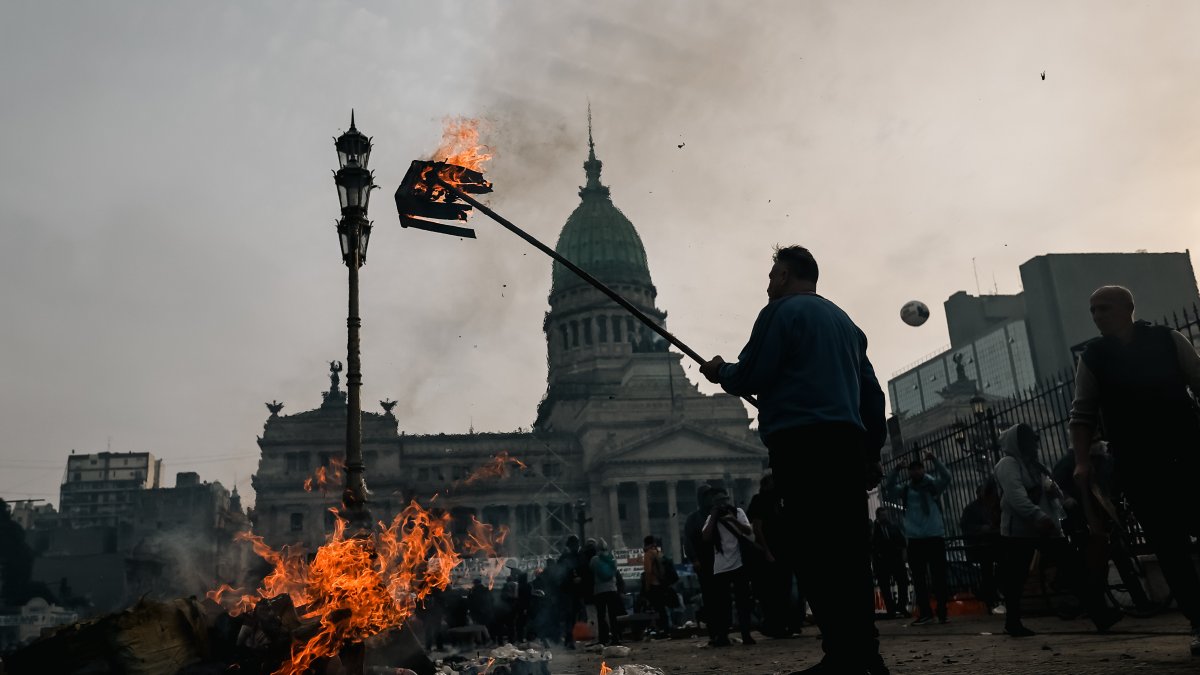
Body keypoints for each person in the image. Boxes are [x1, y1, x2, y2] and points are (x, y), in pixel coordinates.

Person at [701, 245, 888, 675]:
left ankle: (842, 656)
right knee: (850, 554)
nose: (768, 285)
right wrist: (871, 452)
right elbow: (872, 395)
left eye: (771, 276)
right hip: (845, 445)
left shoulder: (780, 314)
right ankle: (866, 656)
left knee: (813, 552)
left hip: (802, 448)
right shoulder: (846, 324)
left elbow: (751, 374)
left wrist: (720, 372)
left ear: (784, 275)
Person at [1070, 285, 1200, 656]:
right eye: (1092, 310)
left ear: (1128, 308)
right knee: (1168, 546)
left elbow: (1199, 380)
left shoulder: (1166, 338)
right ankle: (1198, 619)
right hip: (1137, 463)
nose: (1096, 315)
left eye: (1104, 308)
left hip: (1187, 451)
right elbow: (1082, 413)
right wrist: (1081, 461)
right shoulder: (1093, 356)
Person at [996, 423, 1122, 637]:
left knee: (1074, 568)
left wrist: (1058, 498)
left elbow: (1049, 489)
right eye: (1029, 442)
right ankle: (1013, 622)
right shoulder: (1007, 464)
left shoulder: (1034, 465)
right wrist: (1039, 516)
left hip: (1044, 527)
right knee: (1015, 579)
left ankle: (1100, 615)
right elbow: (1016, 497)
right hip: (1019, 532)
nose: (1034, 446)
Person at [884, 452, 951, 625]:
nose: (915, 472)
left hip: (933, 535)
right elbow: (889, 487)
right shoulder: (907, 490)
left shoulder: (932, 486)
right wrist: (896, 470)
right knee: (920, 578)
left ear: (923, 469)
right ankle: (927, 612)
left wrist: (935, 460)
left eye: (918, 468)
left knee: (938, 577)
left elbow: (946, 476)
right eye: (912, 469)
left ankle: (942, 610)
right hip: (916, 537)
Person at [749, 470, 807, 636]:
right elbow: (757, 528)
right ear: (767, 484)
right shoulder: (759, 500)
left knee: (790, 590)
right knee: (775, 591)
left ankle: (791, 624)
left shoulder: (780, 501)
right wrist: (767, 551)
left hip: (786, 551)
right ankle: (777, 625)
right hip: (771, 552)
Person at [701, 487, 756, 647]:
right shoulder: (712, 517)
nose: (723, 503)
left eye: (725, 500)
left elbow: (748, 531)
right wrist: (714, 516)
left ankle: (746, 633)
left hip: (739, 563)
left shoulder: (737, 512)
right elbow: (706, 537)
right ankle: (723, 635)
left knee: (743, 602)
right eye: (719, 501)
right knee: (722, 604)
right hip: (721, 566)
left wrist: (732, 520)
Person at [683, 484, 719, 644]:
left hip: (721, 561)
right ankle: (714, 632)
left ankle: (722, 630)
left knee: (721, 596)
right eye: (706, 495)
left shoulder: (717, 514)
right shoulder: (693, 518)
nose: (710, 498)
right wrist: (694, 559)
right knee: (710, 597)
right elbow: (688, 541)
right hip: (704, 562)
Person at [960, 480, 1002, 612]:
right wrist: (981, 529)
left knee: (991, 571)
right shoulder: (973, 508)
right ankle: (989, 595)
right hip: (981, 546)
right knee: (988, 571)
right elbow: (966, 527)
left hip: (989, 544)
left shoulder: (983, 507)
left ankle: (988, 593)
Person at [870, 507, 909, 619]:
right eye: (883, 515)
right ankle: (891, 609)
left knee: (902, 582)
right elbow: (872, 546)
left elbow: (902, 542)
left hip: (895, 559)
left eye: (885, 515)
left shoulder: (892, 527)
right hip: (882, 561)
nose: (885, 517)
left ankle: (901, 606)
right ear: (878, 516)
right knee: (885, 587)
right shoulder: (875, 529)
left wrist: (903, 556)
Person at [589, 539, 625, 646]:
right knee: (613, 615)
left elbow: (591, 570)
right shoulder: (612, 559)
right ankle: (615, 637)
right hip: (612, 589)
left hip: (599, 591)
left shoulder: (594, 560)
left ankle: (603, 638)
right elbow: (615, 572)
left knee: (601, 616)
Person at [641, 535, 674, 634]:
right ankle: (666, 628)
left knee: (656, 609)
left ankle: (661, 629)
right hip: (662, 584)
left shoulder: (648, 554)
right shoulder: (658, 552)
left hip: (654, 585)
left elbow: (648, 571)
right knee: (662, 608)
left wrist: (646, 587)